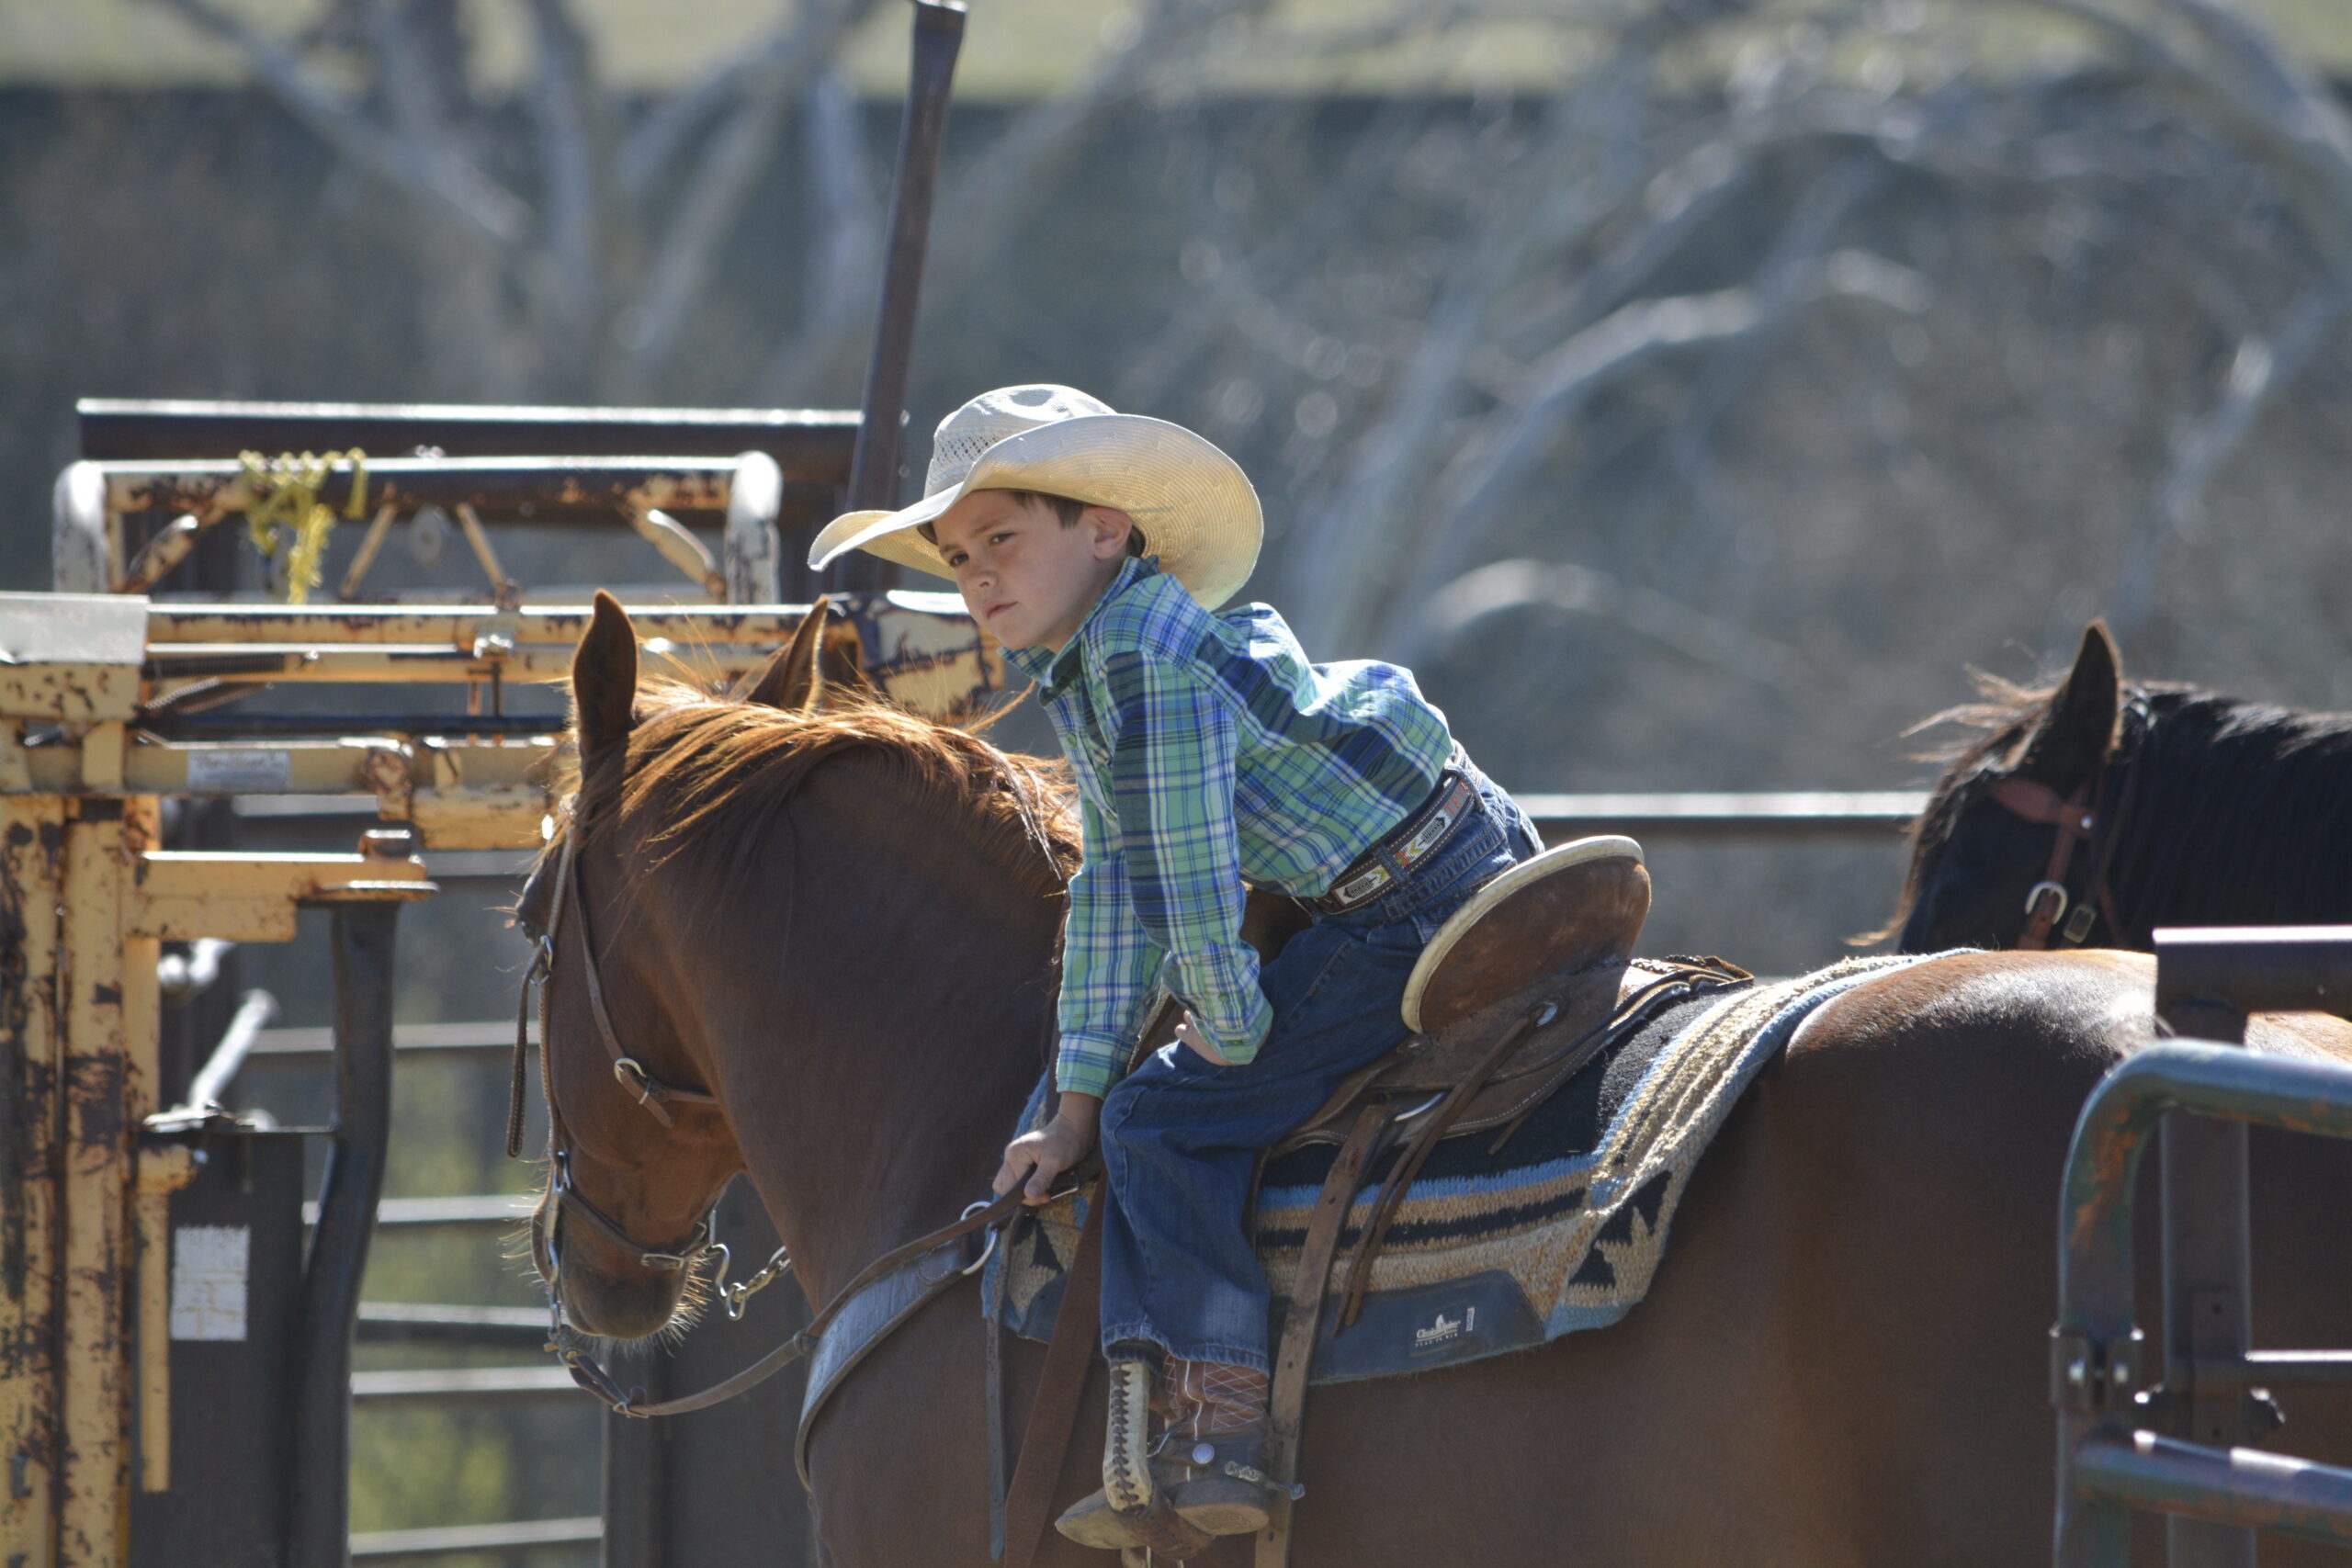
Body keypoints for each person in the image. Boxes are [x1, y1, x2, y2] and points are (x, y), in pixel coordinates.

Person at [807, 385, 1541, 1550]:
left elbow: (1188, 879)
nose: (978, 577)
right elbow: (1111, 888)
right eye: (956, 558)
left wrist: (1223, 1025)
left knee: (1163, 1124)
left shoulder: (1145, 662)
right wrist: (1071, 1102)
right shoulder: (1101, 659)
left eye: (1002, 538)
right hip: (1457, 831)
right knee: (1122, 1105)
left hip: (1404, 906)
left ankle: (1222, 1423)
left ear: (1105, 529)